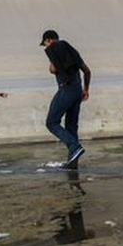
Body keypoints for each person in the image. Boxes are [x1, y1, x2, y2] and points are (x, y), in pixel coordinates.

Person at [41, 30, 91, 169]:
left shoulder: (53, 50)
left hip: (66, 89)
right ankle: (72, 162)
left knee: (51, 122)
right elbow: (87, 71)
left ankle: (74, 147)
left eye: (45, 43)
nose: (46, 46)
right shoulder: (71, 51)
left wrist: (52, 63)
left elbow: (53, 69)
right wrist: (86, 89)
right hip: (77, 90)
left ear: (48, 40)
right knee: (71, 126)